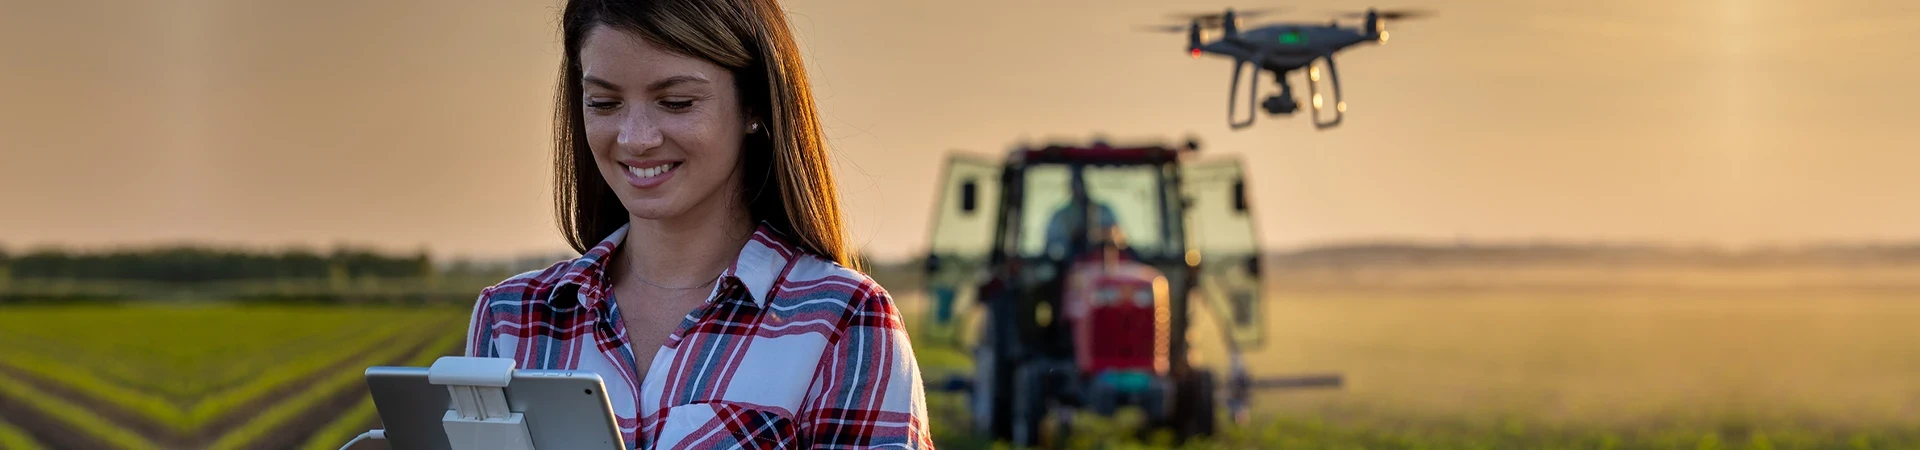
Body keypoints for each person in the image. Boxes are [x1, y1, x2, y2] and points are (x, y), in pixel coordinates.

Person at [463, 0, 932, 447]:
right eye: (604, 104)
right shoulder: (510, 318)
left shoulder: (844, 321)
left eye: (677, 102)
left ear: (755, 107)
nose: (635, 138)